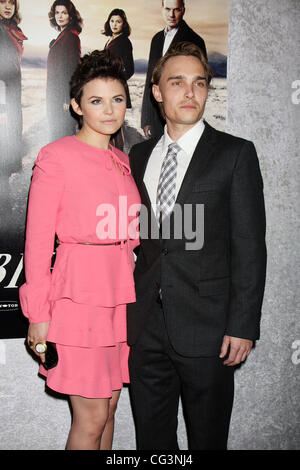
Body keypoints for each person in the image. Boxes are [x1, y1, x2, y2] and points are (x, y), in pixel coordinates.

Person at [127, 41, 267, 450]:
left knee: (208, 440)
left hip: (209, 330)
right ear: (157, 91)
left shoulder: (235, 154)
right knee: (152, 442)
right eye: (177, 82)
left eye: (199, 83)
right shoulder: (137, 156)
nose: (190, 92)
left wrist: (242, 325)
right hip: (145, 327)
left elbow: (249, 246)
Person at [19, 49, 141, 450]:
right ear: (76, 105)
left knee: (107, 415)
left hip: (117, 303)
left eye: (117, 99)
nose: (109, 110)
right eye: (96, 100)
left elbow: (131, 232)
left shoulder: (123, 161)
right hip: (77, 300)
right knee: (90, 420)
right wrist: (39, 315)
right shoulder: (55, 158)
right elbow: (37, 244)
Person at [141, 0, 207, 140]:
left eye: (176, 10)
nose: (171, 14)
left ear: (183, 10)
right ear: (162, 9)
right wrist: (146, 119)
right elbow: (150, 80)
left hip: (182, 117)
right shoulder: (157, 39)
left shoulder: (195, 40)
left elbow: (200, 81)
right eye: (167, 9)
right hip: (156, 116)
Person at [46, 0, 82, 142]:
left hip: (62, 98)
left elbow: (72, 69)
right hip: (57, 95)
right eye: (57, 12)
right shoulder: (64, 35)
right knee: (58, 136)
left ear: (71, 16)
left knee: (62, 137)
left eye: (64, 13)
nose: (60, 16)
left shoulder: (71, 37)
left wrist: (67, 98)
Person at [0, 0, 27, 176]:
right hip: (2, 82)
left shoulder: (12, 28)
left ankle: (11, 163)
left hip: (13, 83)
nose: (8, 6)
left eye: (11, 2)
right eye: (3, 2)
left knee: (14, 122)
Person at [102, 8, 134, 151]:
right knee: (108, 125)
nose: (114, 24)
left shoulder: (124, 42)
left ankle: (119, 158)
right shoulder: (110, 40)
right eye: (112, 21)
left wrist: (115, 80)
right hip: (106, 89)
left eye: (118, 22)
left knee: (115, 126)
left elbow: (130, 69)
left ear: (124, 24)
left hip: (115, 90)